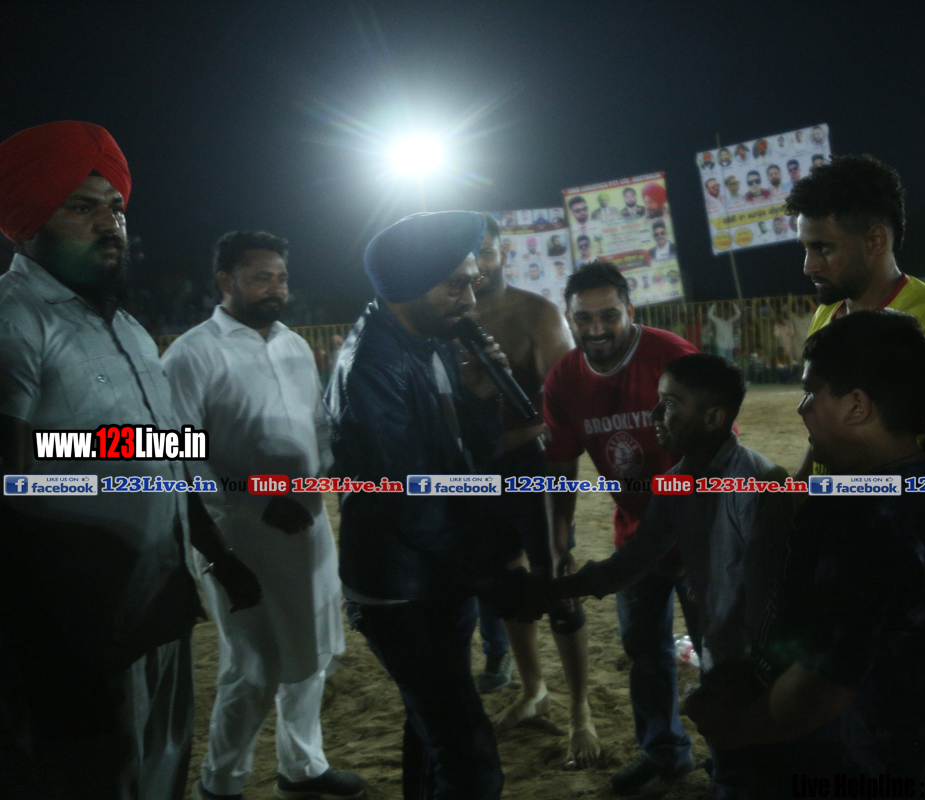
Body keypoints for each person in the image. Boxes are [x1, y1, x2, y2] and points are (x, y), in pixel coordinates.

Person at [0, 120, 260, 798]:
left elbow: (165, 453)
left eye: (115, 207)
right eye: (81, 207)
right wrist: (41, 648)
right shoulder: (14, 321)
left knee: (160, 772)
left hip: (158, 607)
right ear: (27, 222)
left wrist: (217, 553)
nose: (109, 224)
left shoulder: (131, 330)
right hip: (72, 632)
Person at [686, 310, 925, 793]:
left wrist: (737, 729)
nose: (801, 408)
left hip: (849, 763)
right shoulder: (889, 488)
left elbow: (823, 684)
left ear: (857, 406)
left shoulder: (870, 521)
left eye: (811, 392)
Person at [787, 154, 925, 718]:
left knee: (898, 723)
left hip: (901, 570)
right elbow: (822, 437)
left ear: (875, 240)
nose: (807, 265)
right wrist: (798, 505)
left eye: (823, 248)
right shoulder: (829, 316)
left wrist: (886, 546)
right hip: (833, 551)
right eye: (805, 247)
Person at [163, 231, 364, 800]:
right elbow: (179, 454)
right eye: (261, 278)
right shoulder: (190, 354)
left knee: (313, 654)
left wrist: (330, 481)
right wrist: (253, 501)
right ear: (225, 281)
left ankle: (303, 768)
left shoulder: (295, 346)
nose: (276, 289)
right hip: (241, 536)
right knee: (253, 667)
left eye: (281, 278)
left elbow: (317, 428)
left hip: (308, 526)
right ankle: (220, 783)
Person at [536, 353, 790, 798]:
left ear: (713, 418)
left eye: (670, 404)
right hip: (722, 655)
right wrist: (554, 590)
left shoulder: (761, 482)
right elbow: (634, 560)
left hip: (758, 668)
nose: (654, 414)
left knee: (760, 766)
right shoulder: (677, 480)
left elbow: (774, 597)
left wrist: (747, 672)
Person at [325, 211, 514, 799]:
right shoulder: (373, 364)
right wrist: (490, 573)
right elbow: (408, 497)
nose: (470, 298)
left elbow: (464, 459)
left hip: (438, 576)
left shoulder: (432, 340)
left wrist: (482, 400)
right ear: (408, 283)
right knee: (470, 760)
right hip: (402, 588)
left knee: (432, 734)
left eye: (473, 282)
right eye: (455, 285)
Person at [541, 262, 701, 795]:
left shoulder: (672, 358)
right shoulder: (564, 379)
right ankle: (663, 753)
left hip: (699, 534)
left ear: (630, 310)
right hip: (634, 536)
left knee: (723, 655)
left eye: (609, 315)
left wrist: (700, 533)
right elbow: (560, 465)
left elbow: (716, 450)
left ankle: (737, 761)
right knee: (644, 652)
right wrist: (559, 541)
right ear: (569, 319)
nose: (596, 329)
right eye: (583, 318)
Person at [467, 216, 601, 767]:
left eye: (486, 252)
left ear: (503, 253)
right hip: (475, 473)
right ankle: (533, 689)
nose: (478, 265)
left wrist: (562, 508)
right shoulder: (445, 318)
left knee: (557, 584)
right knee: (505, 587)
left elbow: (562, 408)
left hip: (534, 466)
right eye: (469, 255)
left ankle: (581, 712)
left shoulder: (536, 313)